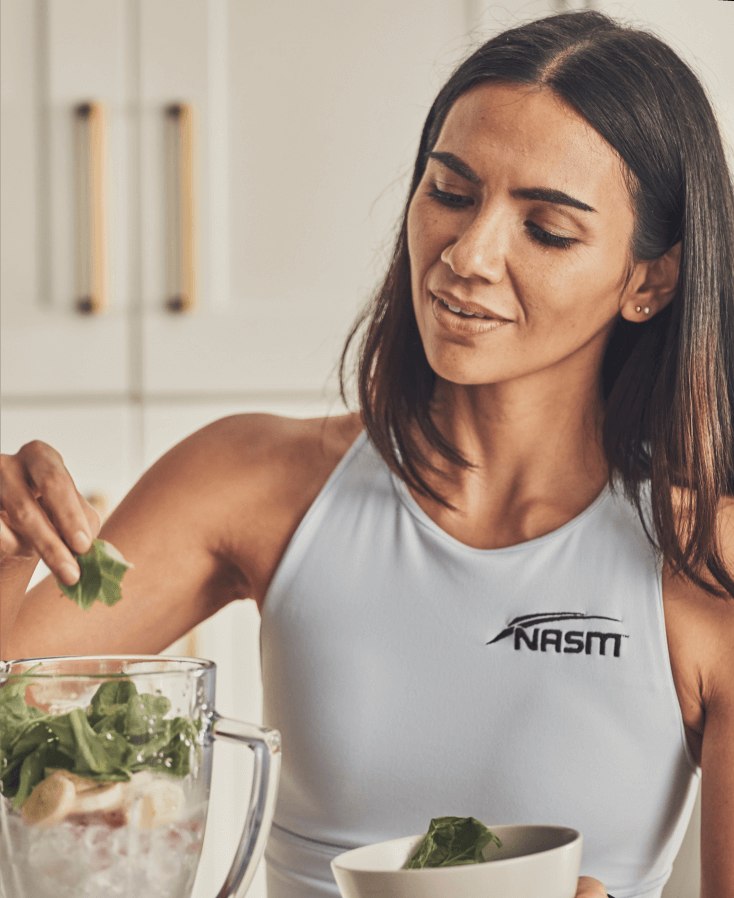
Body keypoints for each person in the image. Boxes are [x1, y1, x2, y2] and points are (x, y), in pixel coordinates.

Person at [1, 9, 732, 898]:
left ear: (650, 279)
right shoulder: (252, 481)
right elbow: (16, 700)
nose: (467, 254)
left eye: (546, 229)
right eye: (452, 193)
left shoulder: (705, 564)